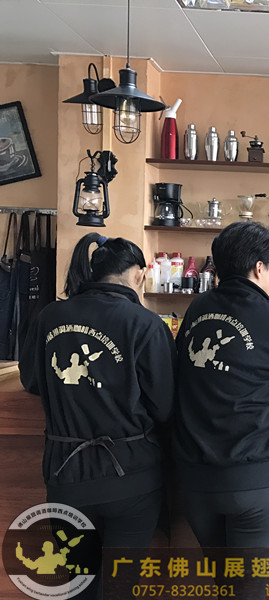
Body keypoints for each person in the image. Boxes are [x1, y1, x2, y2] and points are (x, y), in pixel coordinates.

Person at [19, 232, 176, 599]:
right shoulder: (145, 324)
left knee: (76, 586)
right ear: (138, 274)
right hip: (132, 478)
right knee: (121, 587)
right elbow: (165, 406)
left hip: (66, 474)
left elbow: (31, 381)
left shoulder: (50, 316)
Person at [173, 222, 269, 557]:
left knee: (222, 577)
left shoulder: (198, 308)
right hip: (255, 475)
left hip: (195, 475)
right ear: (259, 268)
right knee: (249, 582)